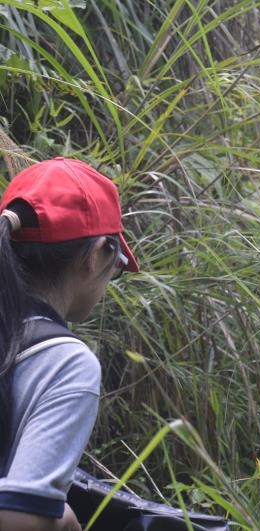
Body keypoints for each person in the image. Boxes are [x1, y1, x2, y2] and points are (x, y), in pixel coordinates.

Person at [0, 157, 139, 530]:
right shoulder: (65, 362)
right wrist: (59, 520)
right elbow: (18, 521)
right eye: (119, 261)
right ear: (96, 256)